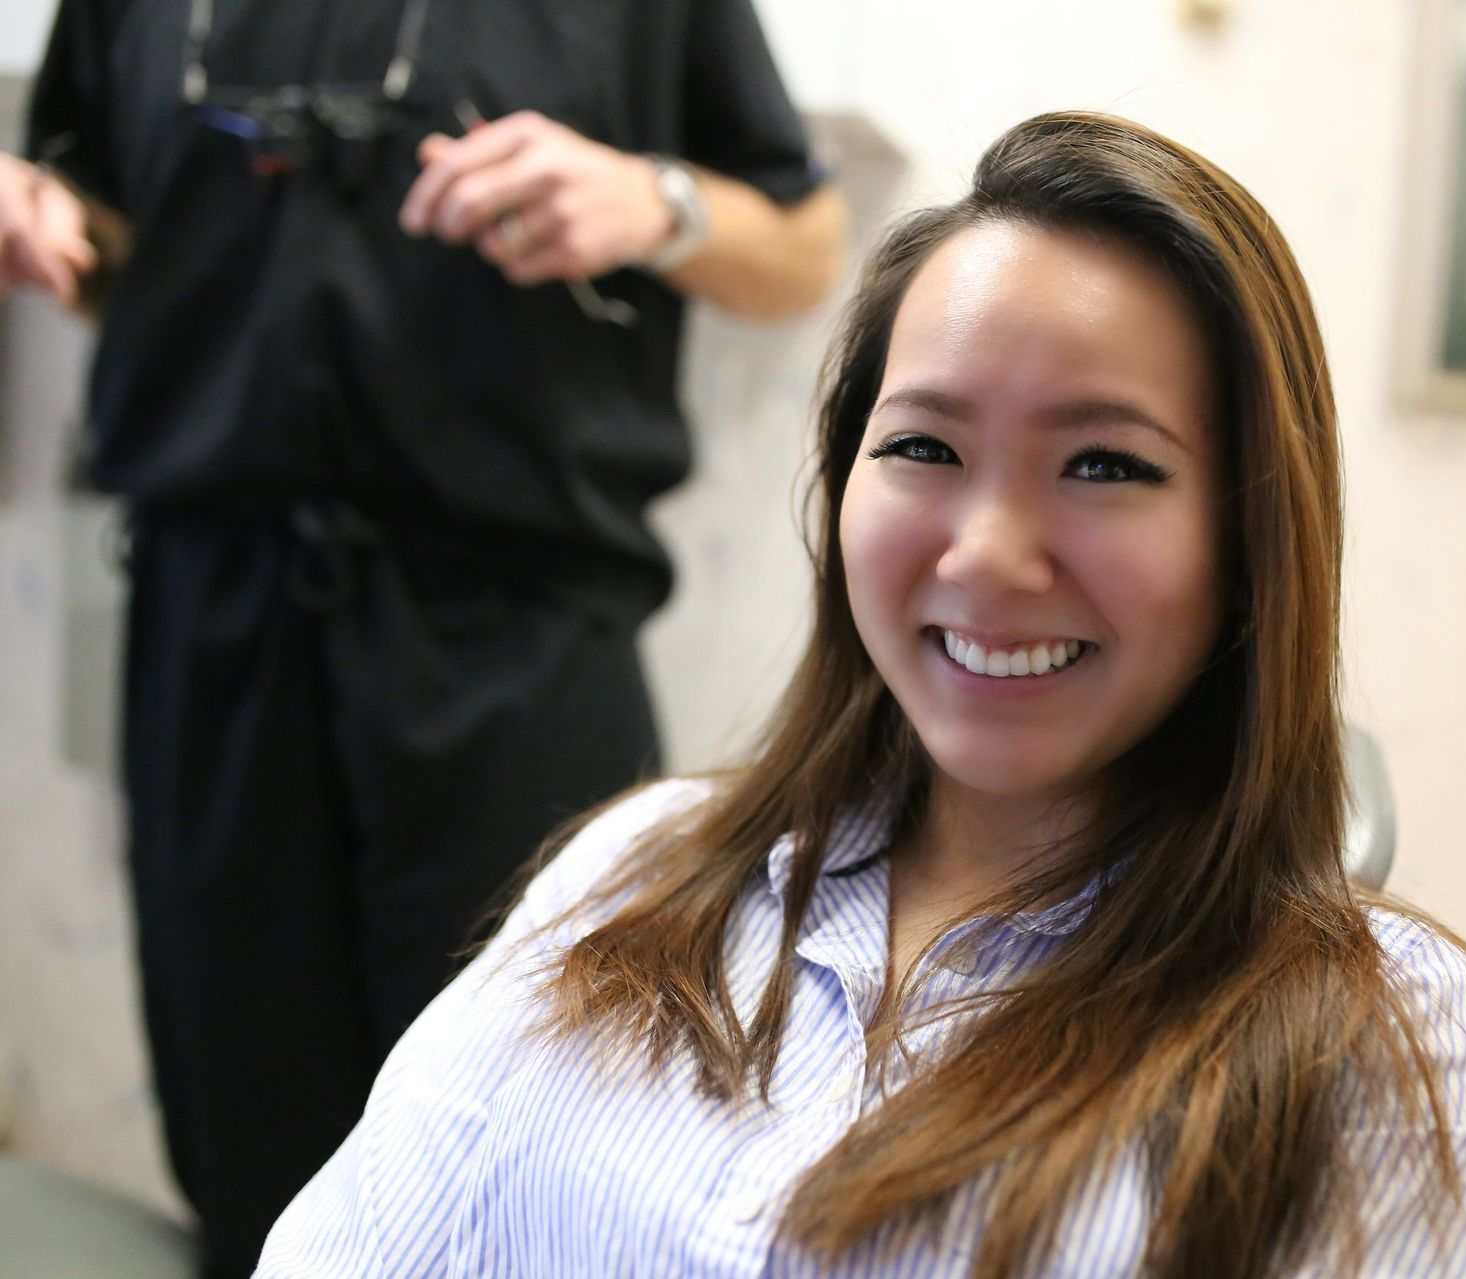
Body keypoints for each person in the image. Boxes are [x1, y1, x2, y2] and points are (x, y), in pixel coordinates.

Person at [257, 111, 1466, 1278]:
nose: (986, 554)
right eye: (924, 447)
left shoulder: (1392, 1048)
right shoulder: (629, 865)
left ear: (1249, 544)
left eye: (1106, 464)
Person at [1, 2, 846, 1275]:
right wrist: (40, 218)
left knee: (550, 1158)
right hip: (211, 631)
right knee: (252, 1150)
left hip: (516, 634)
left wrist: (656, 200)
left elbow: (806, 244)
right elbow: (117, 237)